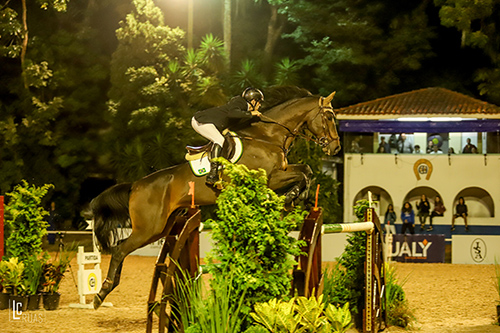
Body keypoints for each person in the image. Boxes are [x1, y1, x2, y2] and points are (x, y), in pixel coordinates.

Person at [192, 87, 264, 184]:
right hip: (201, 121)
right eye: (259, 103)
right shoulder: (240, 102)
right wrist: (251, 113)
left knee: (222, 139)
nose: (259, 106)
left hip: (210, 123)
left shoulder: (242, 107)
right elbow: (232, 114)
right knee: (219, 139)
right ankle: (212, 174)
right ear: (254, 101)